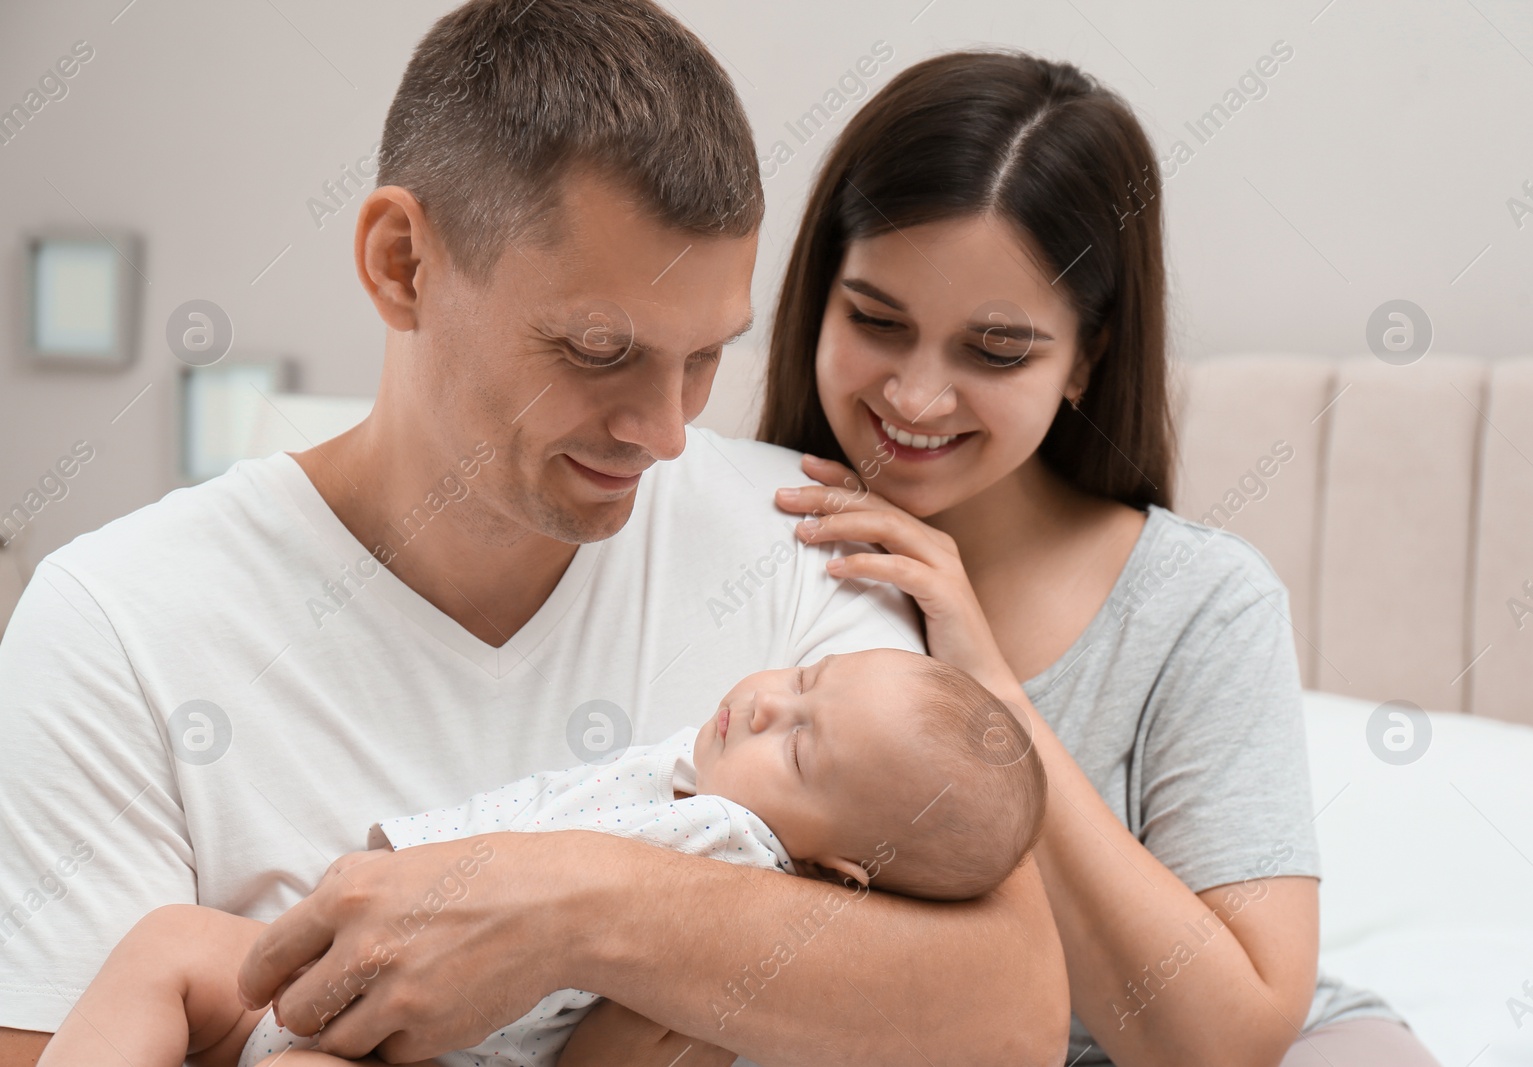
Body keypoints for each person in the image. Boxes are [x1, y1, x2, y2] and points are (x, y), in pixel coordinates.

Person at [0, 4, 1074, 1066]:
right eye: (597, 347)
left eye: (703, 356)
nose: (664, 431)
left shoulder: (803, 537)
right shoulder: (115, 625)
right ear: (401, 264)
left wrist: (557, 907)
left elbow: (1008, 1013)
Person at [759, 50, 1444, 1067]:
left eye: (994, 351)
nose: (913, 397)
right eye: (873, 319)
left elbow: (1224, 1041)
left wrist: (988, 689)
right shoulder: (734, 538)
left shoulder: (1201, 603)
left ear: (1085, 356)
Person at [37, 648, 1048, 1067]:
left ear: (837, 872)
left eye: (801, 744)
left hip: (442, 1047)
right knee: (172, 941)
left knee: (189, 966)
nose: (770, 701)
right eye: (808, 677)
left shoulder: (735, 852)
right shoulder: (701, 774)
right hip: (341, 973)